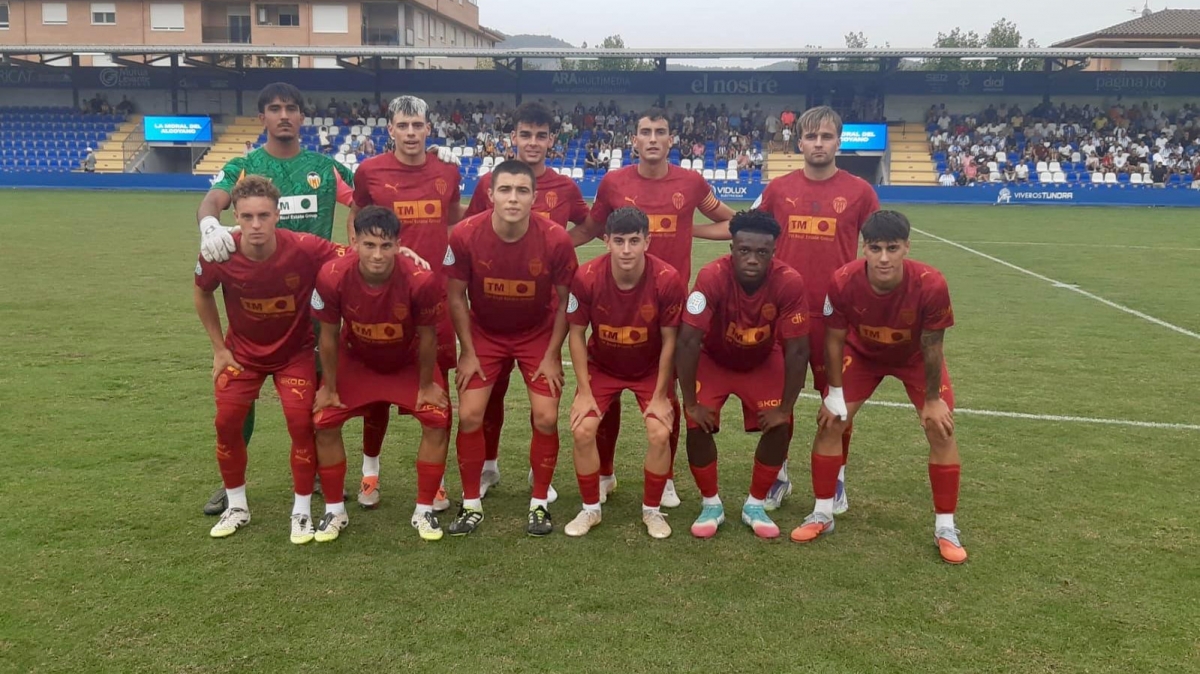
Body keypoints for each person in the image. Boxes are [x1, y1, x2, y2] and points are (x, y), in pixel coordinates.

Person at [194, 82, 442, 517]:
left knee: (320, 397)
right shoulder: (243, 165)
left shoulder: (325, 167)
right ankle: (232, 484)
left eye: (291, 108)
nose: (284, 115)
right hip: (258, 296)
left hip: (317, 298)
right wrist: (209, 224)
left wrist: (389, 248)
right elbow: (213, 199)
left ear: (303, 117)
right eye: (274, 108)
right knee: (239, 397)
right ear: (263, 118)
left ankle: (318, 484)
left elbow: (361, 209)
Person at [568, 107, 736, 510]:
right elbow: (592, 229)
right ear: (635, 140)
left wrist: (687, 227)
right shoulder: (613, 182)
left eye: (661, 131)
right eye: (646, 132)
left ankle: (668, 479)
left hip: (670, 307)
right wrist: (547, 243)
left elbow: (733, 223)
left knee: (669, 397)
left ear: (672, 139)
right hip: (618, 300)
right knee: (607, 389)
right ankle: (605, 473)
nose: (654, 138)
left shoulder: (692, 183)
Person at [790, 210, 966, 564]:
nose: (883, 257)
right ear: (864, 249)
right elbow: (835, 340)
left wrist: (933, 400)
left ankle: (946, 527)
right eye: (875, 248)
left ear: (906, 248)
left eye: (892, 248)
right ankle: (823, 513)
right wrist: (835, 394)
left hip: (914, 358)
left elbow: (933, 346)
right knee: (830, 422)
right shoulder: (842, 280)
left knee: (940, 428)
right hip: (863, 355)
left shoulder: (931, 283)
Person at [193, 176, 344, 542]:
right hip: (241, 355)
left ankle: (302, 511)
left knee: (299, 424)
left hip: (293, 354)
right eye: (247, 217)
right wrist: (219, 348)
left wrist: (401, 252)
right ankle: (237, 506)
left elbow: (355, 256)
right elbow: (202, 294)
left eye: (263, 216)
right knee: (226, 424)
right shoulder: (220, 251)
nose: (256, 225)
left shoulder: (305, 247)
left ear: (278, 215)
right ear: (237, 218)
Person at [753, 106, 879, 512]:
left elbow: (877, 251)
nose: (819, 144)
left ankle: (835, 478)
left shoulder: (860, 192)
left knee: (837, 404)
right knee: (776, 401)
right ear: (800, 142)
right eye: (811, 137)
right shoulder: (778, 189)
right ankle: (778, 474)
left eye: (826, 137)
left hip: (836, 319)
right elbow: (750, 237)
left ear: (838, 142)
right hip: (784, 315)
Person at [463, 102, 589, 503]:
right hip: (491, 314)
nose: (532, 142)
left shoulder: (566, 187)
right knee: (489, 397)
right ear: (513, 137)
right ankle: (488, 467)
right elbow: (472, 232)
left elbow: (589, 224)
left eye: (541, 135)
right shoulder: (489, 183)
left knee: (544, 410)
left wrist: (563, 248)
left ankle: (540, 477)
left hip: (542, 315)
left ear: (551, 140)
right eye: (525, 134)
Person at [444, 160, 578, 536]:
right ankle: (470, 503)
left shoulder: (556, 239)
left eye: (522, 191)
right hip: (484, 334)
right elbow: (455, 297)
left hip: (537, 333)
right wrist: (468, 351)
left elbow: (569, 301)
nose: (513, 198)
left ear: (535, 197)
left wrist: (553, 354)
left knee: (547, 417)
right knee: (470, 415)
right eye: (505, 190)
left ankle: (539, 503)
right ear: (490, 194)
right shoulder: (466, 234)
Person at [349, 95, 464, 511]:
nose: (412, 133)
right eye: (404, 125)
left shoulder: (447, 170)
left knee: (436, 386)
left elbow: (454, 220)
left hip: (435, 296)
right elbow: (358, 218)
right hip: (382, 296)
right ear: (391, 130)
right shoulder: (370, 171)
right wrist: (357, 264)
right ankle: (369, 474)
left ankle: (435, 482)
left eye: (419, 125)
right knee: (376, 391)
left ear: (428, 129)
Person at [310, 206, 451, 542]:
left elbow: (429, 336)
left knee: (437, 418)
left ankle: (424, 510)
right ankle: (334, 510)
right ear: (354, 241)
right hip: (357, 358)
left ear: (398, 245)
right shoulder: (332, 274)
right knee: (323, 420)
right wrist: (329, 387)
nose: (377, 254)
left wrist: (427, 384)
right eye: (369, 245)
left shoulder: (421, 279)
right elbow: (328, 335)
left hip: (406, 359)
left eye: (385, 246)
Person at [675, 210, 810, 539]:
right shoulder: (711, 277)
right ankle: (711, 504)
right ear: (732, 248)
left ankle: (755, 504)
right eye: (744, 250)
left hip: (762, 360)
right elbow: (689, 341)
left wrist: (786, 407)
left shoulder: (789, 281)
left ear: (773, 253)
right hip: (714, 359)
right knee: (696, 423)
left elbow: (798, 350)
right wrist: (690, 403)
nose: (752, 259)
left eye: (762, 252)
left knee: (782, 425)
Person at [564, 207, 686, 539]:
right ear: (606, 242)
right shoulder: (587, 275)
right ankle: (591, 509)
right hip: (602, 366)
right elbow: (576, 334)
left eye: (635, 241)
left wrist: (661, 396)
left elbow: (670, 340)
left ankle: (652, 511)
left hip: (649, 368)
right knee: (582, 429)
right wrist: (584, 391)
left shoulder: (667, 279)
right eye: (619, 241)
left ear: (648, 241)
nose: (627, 249)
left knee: (660, 432)